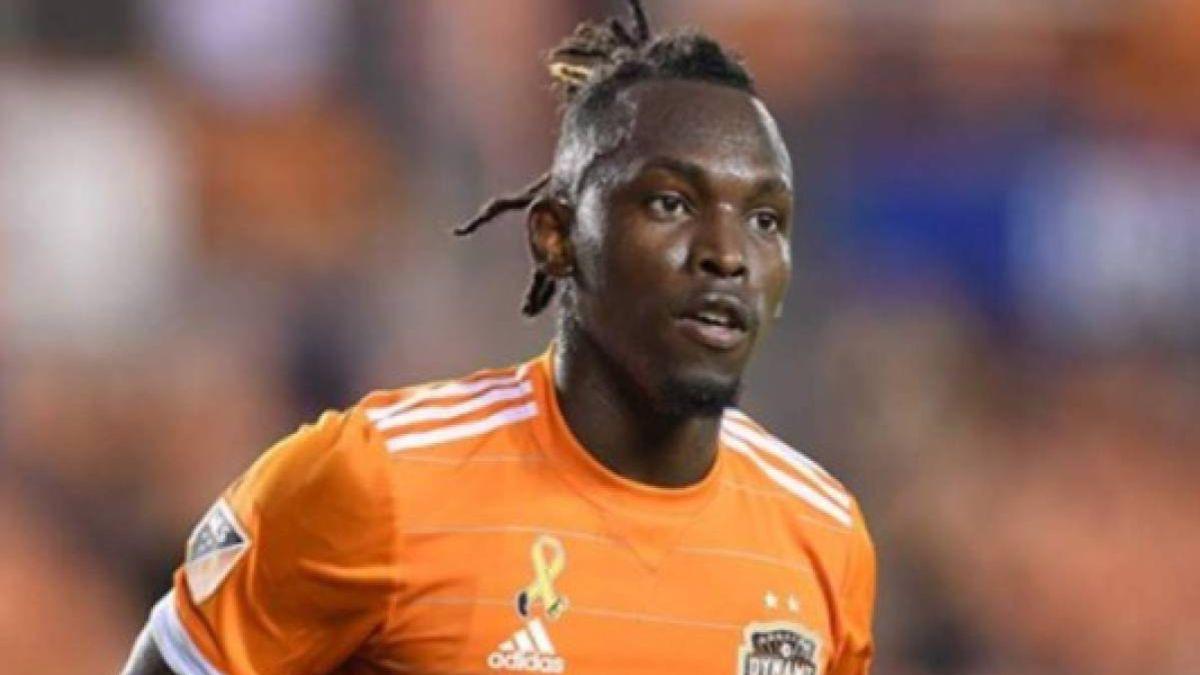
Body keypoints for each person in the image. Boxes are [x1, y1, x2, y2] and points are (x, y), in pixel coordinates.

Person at [121, 2, 875, 673]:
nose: (727, 254)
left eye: (765, 218)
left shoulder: (822, 535)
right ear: (556, 238)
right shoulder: (376, 483)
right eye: (672, 203)